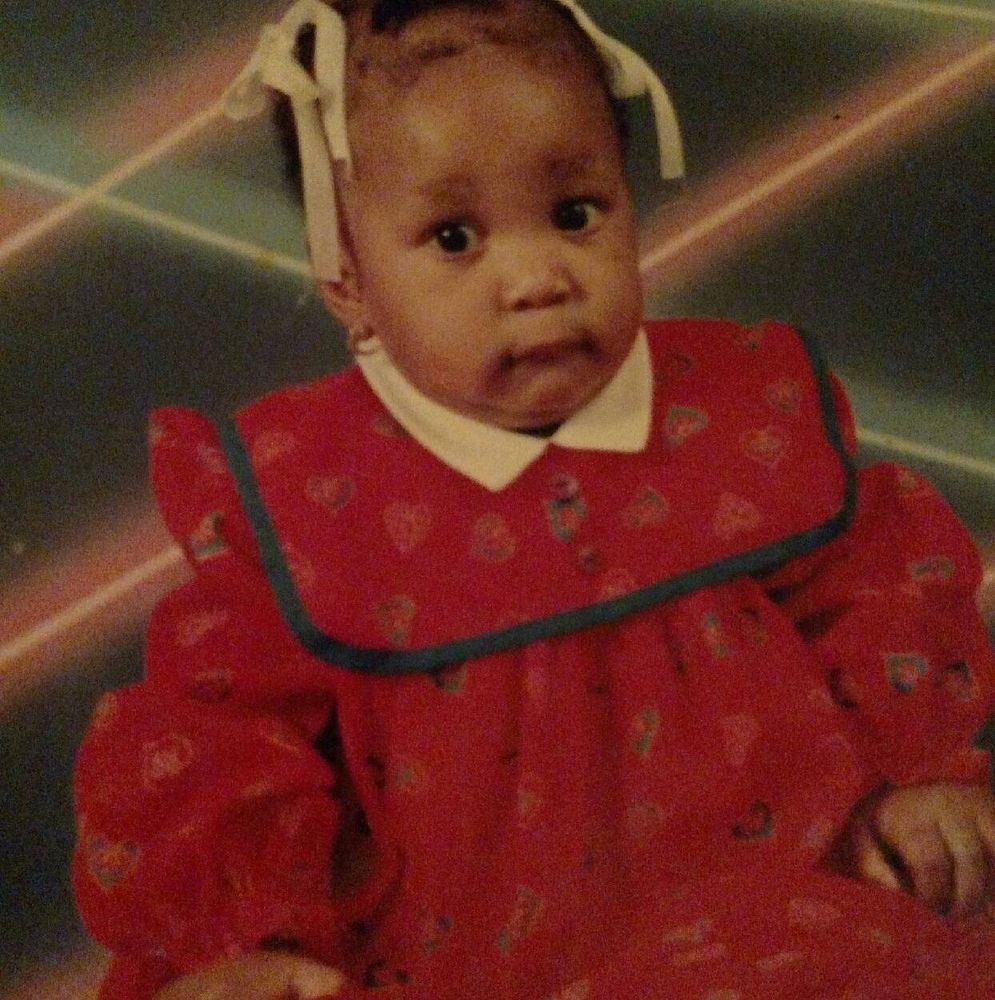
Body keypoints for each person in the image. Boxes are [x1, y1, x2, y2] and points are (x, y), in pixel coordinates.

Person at [72, 1, 995, 997]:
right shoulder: (308, 493)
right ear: (345, 277)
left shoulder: (737, 417)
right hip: (452, 955)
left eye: (574, 212)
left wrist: (916, 779)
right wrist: (240, 939)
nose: (537, 276)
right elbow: (217, 735)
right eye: (455, 235)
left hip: (767, 901)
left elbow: (873, 600)